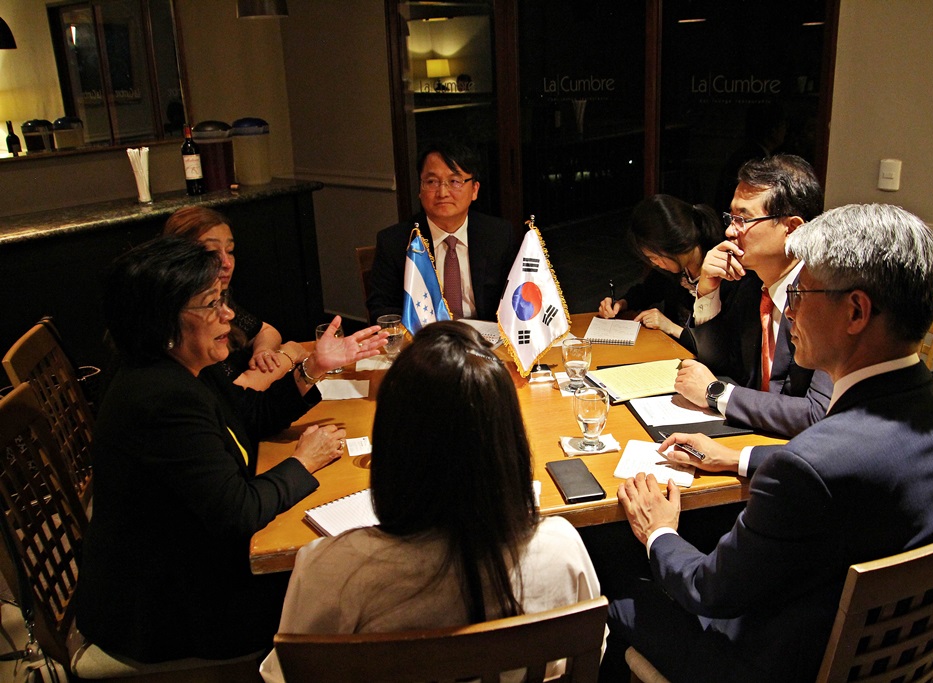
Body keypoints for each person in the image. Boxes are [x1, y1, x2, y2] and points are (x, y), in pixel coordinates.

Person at [604, 204, 933, 682]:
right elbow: (871, 464)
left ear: (856, 310)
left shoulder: (809, 468)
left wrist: (659, 530)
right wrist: (741, 458)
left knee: (614, 582)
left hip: (773, 664)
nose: (788, 308)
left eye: (800, 291)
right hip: (893, 657)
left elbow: (707, 590)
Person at [72, 237, 388, 675]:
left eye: (221, 300)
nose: (227, 315)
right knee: (351, 586)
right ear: (162, 321)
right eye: (210, 305)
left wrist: (314, 366)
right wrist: (302, 462)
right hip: (170, 607)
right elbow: (238, 512)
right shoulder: (159, 398)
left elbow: (249, 416)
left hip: (189, 565)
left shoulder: (185, 366)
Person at [259, 321, 601, 681]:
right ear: (508, 440)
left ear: (394, 442)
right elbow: (592, 650)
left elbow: (284, 676)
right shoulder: (561, 548)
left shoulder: (330, 570)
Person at [676, 154, 833, 447]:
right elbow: (721, 366)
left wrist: (716, 393)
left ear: (793, 228)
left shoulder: (825, 298)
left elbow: (817, 413)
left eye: (743, 219)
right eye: (731, 217)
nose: (729, 231)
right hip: (749, 437)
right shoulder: (749, 284)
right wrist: (708, 291)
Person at [367, 140, 520, 323]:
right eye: (432, 181)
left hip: (484, 341)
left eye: (454, 181)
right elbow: (382, 310)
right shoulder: (395, 241)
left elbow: (517, 300)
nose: (442, 192)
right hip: (424, 342)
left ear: (474, 190)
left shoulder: (498, 235)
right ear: (420, 190)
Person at [163, 206, 307, 390]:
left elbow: (266, 330)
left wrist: (264, 351)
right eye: (212, 251)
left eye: (230, 250)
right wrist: (290, 354)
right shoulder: (189, 313)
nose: (227, 263)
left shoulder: (221, 298)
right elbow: (239, 389)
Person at [596, 195, 726, 340]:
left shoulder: (722, 270)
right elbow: (647, 291)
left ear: (677, 243)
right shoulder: (674, 269)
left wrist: (670, 327)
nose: (654, 263)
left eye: (655, 257)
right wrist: (621, 303)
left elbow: (717, 347)